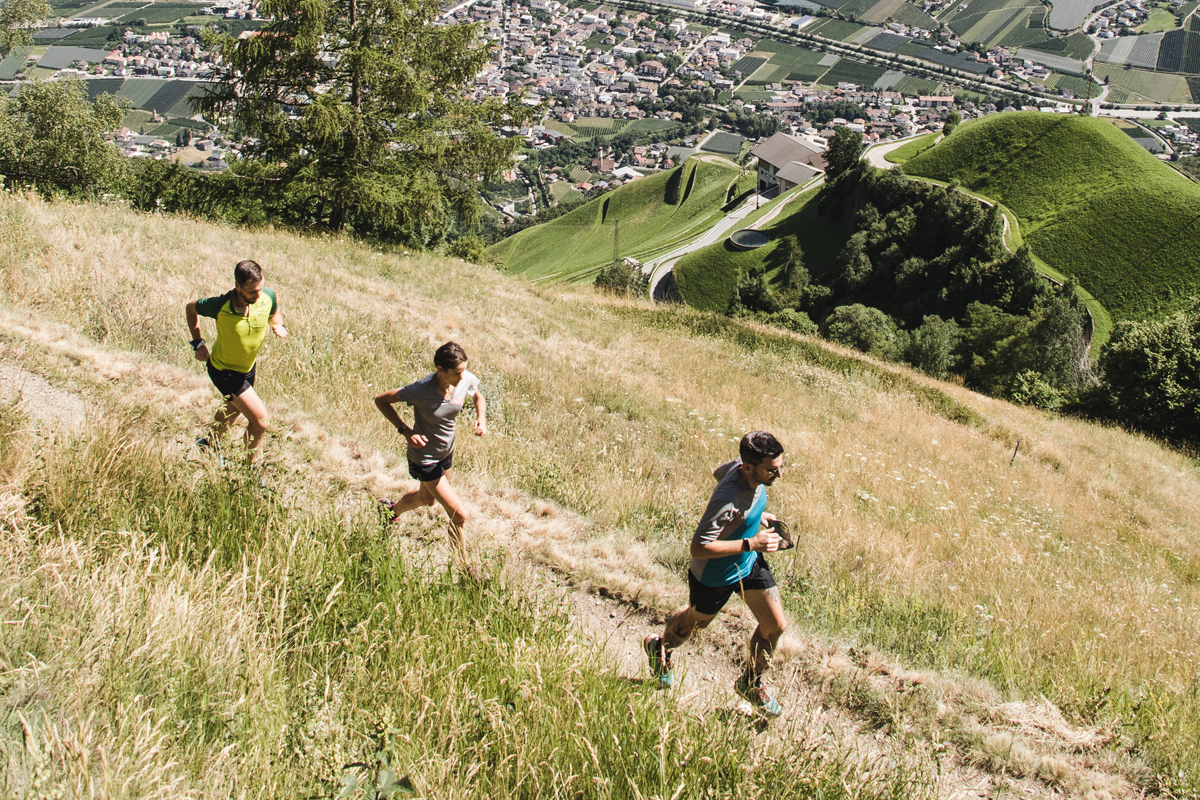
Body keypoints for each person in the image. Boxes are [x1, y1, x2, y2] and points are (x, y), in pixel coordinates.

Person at [643, 430, 789, 716]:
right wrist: (750, 541)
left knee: (775, 626)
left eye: (781, 467)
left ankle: (750, 683)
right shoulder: (727, 499)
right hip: (715, 574)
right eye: (772, 471)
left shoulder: (740, 466)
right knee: (693, 625)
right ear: (748, 467)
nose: (779, 475)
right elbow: (698, 547)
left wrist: (758, 518)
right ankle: (659, 649)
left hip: (748, 563)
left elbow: (717, 471)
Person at [374, 342, 487, 562]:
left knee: (427, 500)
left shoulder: (463, 379)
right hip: (424, 458)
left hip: (445, 453)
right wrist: (405, 431)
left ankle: (390, 512)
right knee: (458, 515)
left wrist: (481, 420)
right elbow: (381, 400)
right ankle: (466, 571)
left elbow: (478, 397)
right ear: (440, 369)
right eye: (456, 373)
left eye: (463, 371)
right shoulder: (420, 391)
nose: (462, 378)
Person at [185, 259, 287, 463]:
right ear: (238, 286)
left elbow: (274, 312)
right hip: (223, 370)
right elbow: (190, 308)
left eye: (260, 289)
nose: (258, 296)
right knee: (260, 421)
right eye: (252, 292)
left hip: (248, 369)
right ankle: (248, 468)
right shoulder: (220, 305)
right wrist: (198, 343)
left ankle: (208, 444)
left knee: (232, 409)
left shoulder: (267, 296)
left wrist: (279, 325)